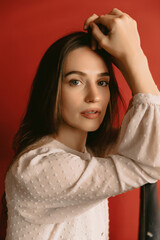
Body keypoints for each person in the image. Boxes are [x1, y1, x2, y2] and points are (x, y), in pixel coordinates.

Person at [4, 8, 160, 240]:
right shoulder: (36, 168)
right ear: (51, 90)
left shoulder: (92, 151)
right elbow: (151, 162)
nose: (94, 96)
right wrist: (134, 58)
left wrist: (128, 63)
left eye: (103, 82)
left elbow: (149, 146)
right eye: (75, 81)